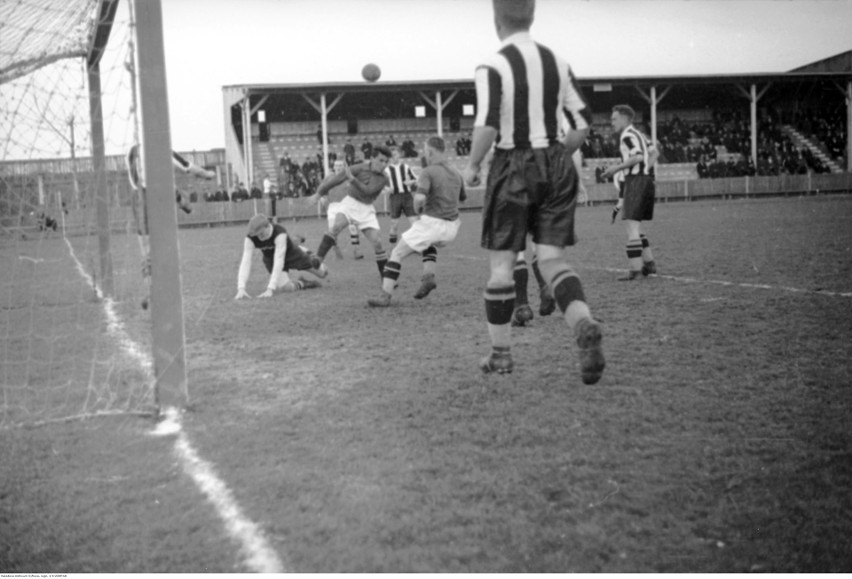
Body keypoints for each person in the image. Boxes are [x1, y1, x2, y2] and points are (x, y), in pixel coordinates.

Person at [462, 0, 605, 385]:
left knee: (501, 266)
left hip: (512, 166)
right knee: (552, 260)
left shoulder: (492, 65)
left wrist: (474, 166)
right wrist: (557, 157)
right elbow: (581, 125)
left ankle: (501, 355)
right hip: (557, 162)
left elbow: (488, 125)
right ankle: (582, 322)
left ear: (497, 20)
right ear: (532, 16)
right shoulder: (558, 62)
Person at [368, 135, 466, 307]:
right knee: (428, 244)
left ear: (429, 151)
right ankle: (428, 278)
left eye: (425, 152)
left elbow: (419, 199)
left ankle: (385, 296)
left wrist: (419, 208)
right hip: (452, 227)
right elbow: (462, 197)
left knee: (396, 253)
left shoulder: (428, 171)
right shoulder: (456, 172)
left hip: (432, 223)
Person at [125, 144, 215, 309]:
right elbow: (187, 166)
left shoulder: (132, 152)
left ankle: (150, 287)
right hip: (157, 198)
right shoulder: (159, 146)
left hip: (138, 200)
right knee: (168, 249)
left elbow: (136, 178)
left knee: (147, 255)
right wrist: (206, 174)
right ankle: (169, 289)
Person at [303, 146, 392, 277]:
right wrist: (318, 194)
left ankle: (386, 278)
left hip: (366, 209)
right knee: (335, 227)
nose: (384, 165)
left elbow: (368, 191)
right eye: (381, 160)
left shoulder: (384, 178)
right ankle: (318, 260)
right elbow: (337, 178)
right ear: (372, 158)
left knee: (377, 243)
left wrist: (352, 180)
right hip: (350, 203)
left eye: (386, 162)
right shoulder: (359, 168)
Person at [600, 104, 658, 281]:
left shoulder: (627, 136)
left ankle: (636, 270)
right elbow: (654, 152)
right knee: (636, 226)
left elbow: (638, 156)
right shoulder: (640, 134)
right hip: (646, 180)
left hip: (636, 182)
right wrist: (644, 171)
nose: (612, 123)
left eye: (614, 119)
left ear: (625, 118)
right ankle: (649, 265)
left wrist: (616, 168)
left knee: (631, 226)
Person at [234, 214, 327, 299]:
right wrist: (241, 288)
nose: (259, 237)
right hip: (271, 259)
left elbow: (279, 259)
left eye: (261, 233)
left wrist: (270, 289)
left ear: (268, 226)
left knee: (323, 273)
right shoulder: (251, 238)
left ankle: (304, 250)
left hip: (292, 254)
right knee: (286, 288)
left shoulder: (279, 232)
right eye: (256, 235)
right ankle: (304, 283)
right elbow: (246, 261)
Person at [321, 159, 364, 260]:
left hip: (346, 206)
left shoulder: (348, 178)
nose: (338, 167)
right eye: (336, 165)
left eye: (340, 165)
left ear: (344, 167)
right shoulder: (329, 177)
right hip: (333, 206)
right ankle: (336, 249)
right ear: (334, 167)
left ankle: (356, 250)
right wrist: (323, 198)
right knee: (332, 230)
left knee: (353, 227)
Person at [383, 147, 419, 244]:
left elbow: (416, 179)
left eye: (395, 155)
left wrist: (410, 182)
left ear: (399, 155)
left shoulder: (406, 167)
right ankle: (392, 247)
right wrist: (387, 189)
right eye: (391, 156)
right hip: (395, 197)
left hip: (407, 196)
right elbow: (382, 185)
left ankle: (415, 245)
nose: (393, 157)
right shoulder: (386, 170)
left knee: (414, 222)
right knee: (394, 224)